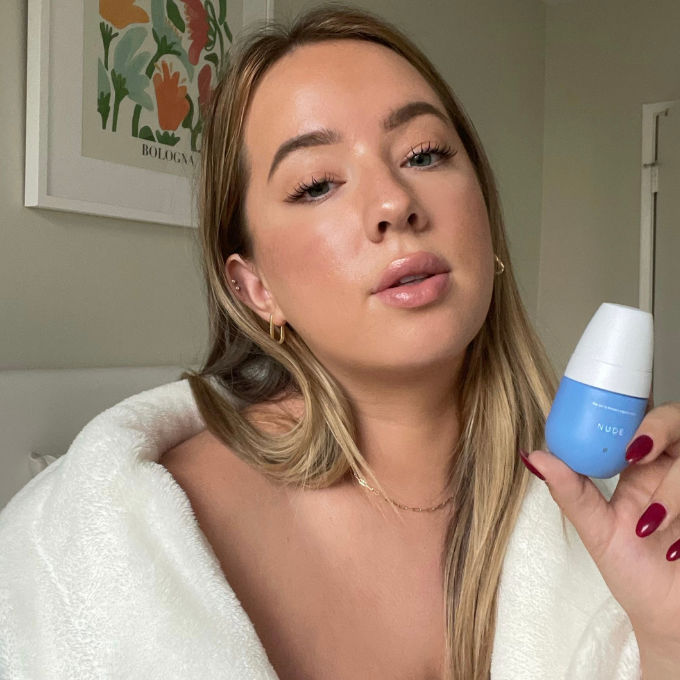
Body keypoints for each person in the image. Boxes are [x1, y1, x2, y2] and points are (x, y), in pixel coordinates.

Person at [3, 4, 680, 680]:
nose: (394, 203)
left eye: (424, 153)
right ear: (255, 287)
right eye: (318, 184)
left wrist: (668, 643)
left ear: (485, 219)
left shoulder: (604, 521)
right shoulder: (92, 546)